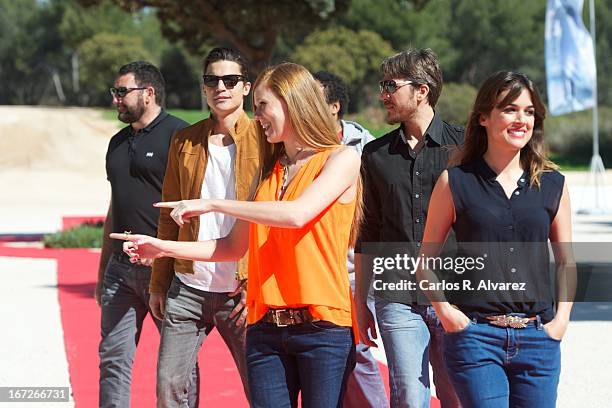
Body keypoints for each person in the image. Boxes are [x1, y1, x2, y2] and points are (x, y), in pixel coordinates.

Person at [111, 62, 361, 408]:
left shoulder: (342, 159)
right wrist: (163, 248)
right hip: (265, 330)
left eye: (263, 105)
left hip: (323, 329)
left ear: (293, 103)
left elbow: (296, 214)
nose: (256, 116)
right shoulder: (269, 173)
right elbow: (231, 246)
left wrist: (214, 204)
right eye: (255, 105)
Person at [418, 71, 574, 407]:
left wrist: (560, 322)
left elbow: (566, 261)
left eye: (529, 111)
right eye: (510, 109)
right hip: (476, 339)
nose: (521, 119)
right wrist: (446, 313)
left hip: (538, 340)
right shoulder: (455, 182)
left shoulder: (553, 184)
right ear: (484, 118)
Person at [149, 47, 262, 407]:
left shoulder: (265, 139)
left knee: (261, 390)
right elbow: (168, 215)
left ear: (246, 87)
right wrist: (158, 283)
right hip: (188, 286)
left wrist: (258, 283)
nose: (220, 87)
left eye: (230, 80)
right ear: (203, 87)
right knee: (169, 385)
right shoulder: (184, 141)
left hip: (242, 290)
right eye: (212, 80)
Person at [355, 48, 463, 408]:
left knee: (458, 395)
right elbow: (368, 231)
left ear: (422, 90)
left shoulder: (464, 148)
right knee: (408, 398)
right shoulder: (374, 155)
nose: (383, 94)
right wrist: (360, 301)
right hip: (397, 296)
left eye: (390, 85)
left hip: (456, 294)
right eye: (382, 85)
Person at [96, 61, 198, 408]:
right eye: (115, 92)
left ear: (149, 93)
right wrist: (102, 271)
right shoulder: (116, 143)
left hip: (165, 269)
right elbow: (116, 206)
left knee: (178, 369)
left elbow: (195, 207)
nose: (116, 100)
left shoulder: (180, 137)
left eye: (122, 92)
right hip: (120, 271)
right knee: (112, 358)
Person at [314, 70, 387, 408]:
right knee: (329, 355)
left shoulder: (366, 148)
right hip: (315, 270)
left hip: (353, 269)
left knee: (356, 349)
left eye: (313, 100)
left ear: (334, 106)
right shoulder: (297, 146)